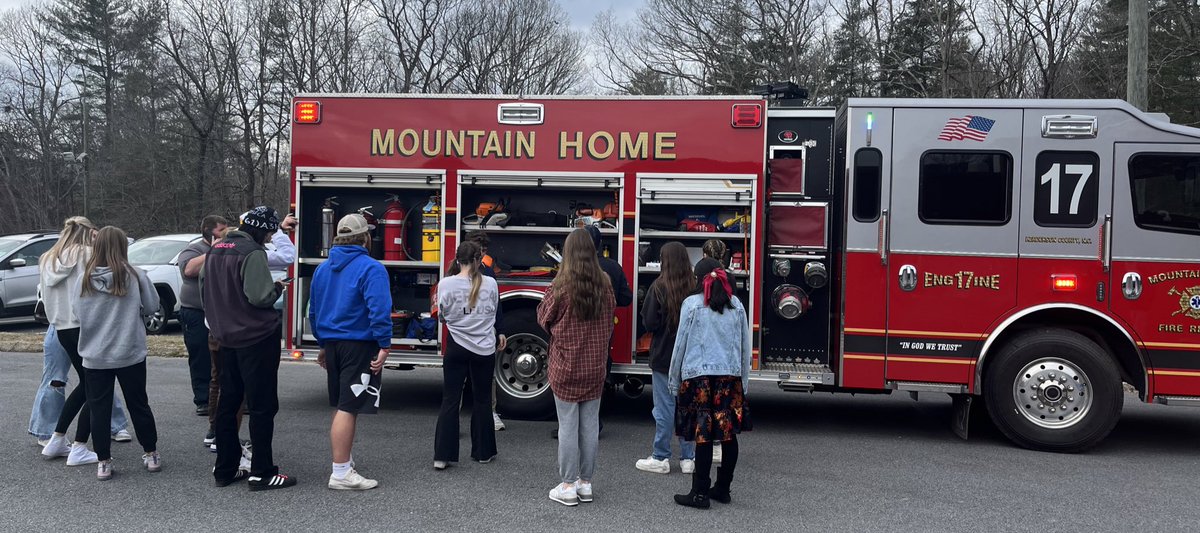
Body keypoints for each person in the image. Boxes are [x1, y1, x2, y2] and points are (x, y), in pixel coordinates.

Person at [201, 206, 295, 490]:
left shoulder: (216, 249)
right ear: (259, 230)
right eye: (268, 233)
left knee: (229, 404)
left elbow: (206, 289)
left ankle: (225, 469)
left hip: (225, 337)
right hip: (256, 338)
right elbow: (259, 296)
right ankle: (262, 472)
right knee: (263, 405)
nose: (268, 238)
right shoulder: (252, 252)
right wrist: (278, 287)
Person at [310, 214, 390, 491]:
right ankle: (341, 472)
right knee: (349, 407)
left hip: (332, 343)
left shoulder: (322, 269)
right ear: (366, 238)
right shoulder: (371, 268)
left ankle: (343, 463)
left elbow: (314, 309)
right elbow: (378, 309)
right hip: (358, 344)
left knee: (341, 405)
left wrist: (322, 343)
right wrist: (384, 344)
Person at [75, 226, 162, 480]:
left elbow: (75, 313)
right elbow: (152, 306)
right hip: (129, 350)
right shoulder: (135, 275)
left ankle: (103, 460)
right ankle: (151, 452)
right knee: (138, 403)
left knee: (98, 407)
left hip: (94, 354)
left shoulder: (83, 278)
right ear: (123, 246)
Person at [538, 229, 615, 507]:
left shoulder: (561, 285)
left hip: (566, 365)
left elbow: (543, 318)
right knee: (590, 426)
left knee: (568, 426)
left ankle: (568, 485)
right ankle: (586, 483)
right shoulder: (605, 283)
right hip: (595, 365)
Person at [669, 262, 752, 509]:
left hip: (699, 378)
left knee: (703, 435)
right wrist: (743, 383)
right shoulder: (736, 305)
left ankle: (699, 492)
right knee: (728, 435)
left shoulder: (692, 304)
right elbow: (744, 347)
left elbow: (680, 345)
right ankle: (723, 488)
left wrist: (674, 381)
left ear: (698, 279)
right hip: (730, 378)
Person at [547, 225, 631, 441]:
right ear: (600, 246)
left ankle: (568, 470)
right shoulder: (611, 269)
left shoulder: (563, 278)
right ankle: (595, 426)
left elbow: (545, 317)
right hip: (599, 348)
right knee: (593, 402)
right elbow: (626, 298)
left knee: (566, 422)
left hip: (568, 356)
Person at [433, 240, 503, 470]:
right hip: (484, 348)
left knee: (450, 399)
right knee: (482, 400)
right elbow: (493, 311)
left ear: (457, 259)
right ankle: (483, 452)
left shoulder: (445, 284)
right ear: (478, 260)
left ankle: (443, 456)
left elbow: (442, 315)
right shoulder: (491, 284)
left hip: (456, 345)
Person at [39, 216, 101, 466]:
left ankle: (57, 437)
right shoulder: (87, 255)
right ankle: (78, 445)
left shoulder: (47, 258)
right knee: (95, 386)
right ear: (87, 232)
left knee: (88, 383)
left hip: (61, 327)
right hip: (84, 325)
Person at [635, 242, 696, 475]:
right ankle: (688, 457)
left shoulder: (658, 287)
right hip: (690, 358)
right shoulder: (695, 287)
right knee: (687, 407)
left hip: (663, 356)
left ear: (665, 260)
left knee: (664, 409)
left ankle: (660, 456)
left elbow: (649, 322)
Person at [29, 325, 132, 446]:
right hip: (60, 323)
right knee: (55, 379)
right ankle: (47, 431)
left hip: (87, 321)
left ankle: (113, 424)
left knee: (97, 374)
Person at [178, 215, 230, 422]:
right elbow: (189, 270)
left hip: (219, 312)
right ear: (209, 231)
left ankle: (223, 398)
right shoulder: (193, 249)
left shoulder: (229, 246)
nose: (225, 232)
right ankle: (202, 400)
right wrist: (215, 250)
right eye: (221, 229)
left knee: (221, 358)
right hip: (195, 312)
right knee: (200, 356)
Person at [463, 231, 506, 432]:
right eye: (480, 251)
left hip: (483, 333)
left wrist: (500, 330)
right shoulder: (455, 273)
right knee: (460, 377)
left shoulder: (488, 273)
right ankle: (453, 417)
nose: (482, 255)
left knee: (488, 376)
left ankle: (491, 413)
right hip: (463, 334)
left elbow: (497, 305)